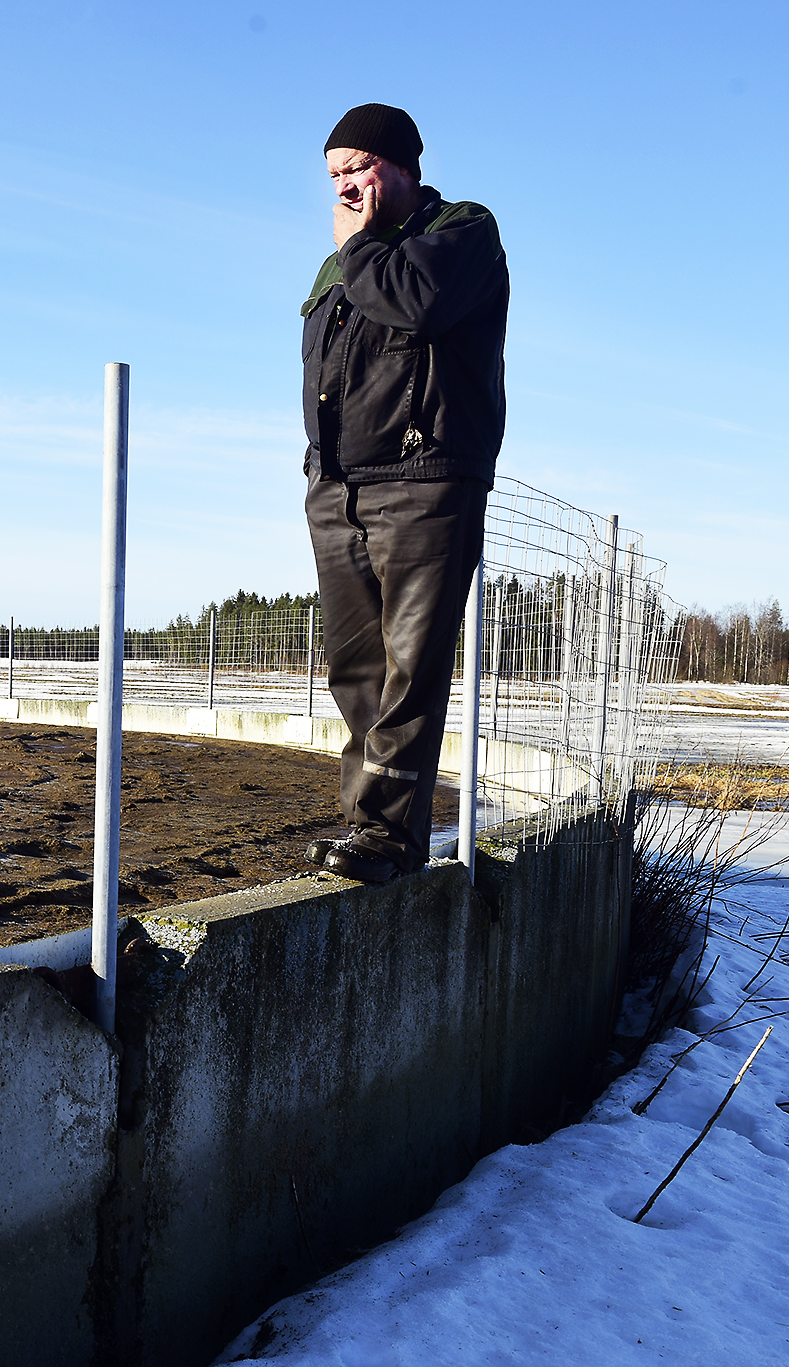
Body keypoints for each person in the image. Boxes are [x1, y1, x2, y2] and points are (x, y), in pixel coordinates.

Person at [300, 103, 509, 884]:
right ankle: (372, 826)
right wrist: (319, 471)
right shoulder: (344, 266)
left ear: (399, 165)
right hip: (340, 488)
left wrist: (359, 251)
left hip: (425, 481)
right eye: (333, 176)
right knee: (355, 670)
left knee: (410, 668)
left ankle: (387, 836)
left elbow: (417, 304)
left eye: (358, 169)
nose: (345, 187)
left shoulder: (460, 231)